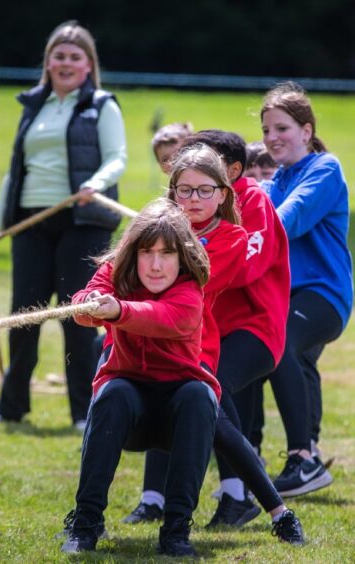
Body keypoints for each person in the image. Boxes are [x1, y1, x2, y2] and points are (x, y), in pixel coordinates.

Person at [122, 144, 305, 543]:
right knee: (179, 400)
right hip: (181, 339)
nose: (194, 199)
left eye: (205, 189)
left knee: (210, 406)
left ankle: (260, 505)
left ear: (225, 184)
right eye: (184, 190)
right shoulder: (169, 226)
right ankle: (148, 504)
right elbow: (119, 269)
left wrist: (146, 283)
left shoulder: (232, 230)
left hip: (219, 338)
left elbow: (193, 286)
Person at [0, 21, 127, 429]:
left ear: (88, 64)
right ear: (48, 62)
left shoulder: (102, 104)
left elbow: (117, 158)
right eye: (58, 56)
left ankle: (84, 411)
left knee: (79, 316)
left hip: (84, 219)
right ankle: (11, 405)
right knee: (23, 314)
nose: (65, 63)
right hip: (30, 221)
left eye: (75, 57)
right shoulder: (34, 106)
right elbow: (13, 174)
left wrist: (95, 183)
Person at [60, 198, 216, 557]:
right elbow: (84, 305)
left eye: (167, 254)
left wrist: (119, 310)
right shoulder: (116, 271)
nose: (156, 265)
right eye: (147, 252)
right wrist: (92, 302)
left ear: (183, 258)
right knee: (112, 393)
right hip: (126, 409)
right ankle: (85, 524)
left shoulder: (189, 291)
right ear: (133, 253)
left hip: (177, 411)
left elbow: (162, 317)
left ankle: (176, 530)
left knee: (199, 395)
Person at [260, 82, 354, 497]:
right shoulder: (274, 180)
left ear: (306, 130)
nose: (272, 138)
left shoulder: (325, 168)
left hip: (324, 295)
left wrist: (255, 227)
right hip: (286, 298)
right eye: (266, 131)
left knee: (280, 344)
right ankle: (253, 467)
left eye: (282, 128)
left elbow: (291, 218)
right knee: (282, 355)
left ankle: (303, 459)